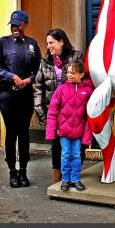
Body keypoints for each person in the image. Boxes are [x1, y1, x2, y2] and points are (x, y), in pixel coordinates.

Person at [0, 10, 42, 188]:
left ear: (25, 24)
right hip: (8, 95)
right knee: (11, 132)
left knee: (24, 133)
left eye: (18, 24)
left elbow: (39, 71)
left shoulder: (33, 45)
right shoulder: (2, 44)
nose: (15, 27)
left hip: (26, 95)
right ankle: (12, 170)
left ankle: (24, 171)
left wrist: (27, 80)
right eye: (12, 24)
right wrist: (12, 76)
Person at [33, 28, 85, 184]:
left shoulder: (76, 56)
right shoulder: (45, 61)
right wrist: (41, 112)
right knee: (56, 146)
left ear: (61, 42)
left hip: (75, 111)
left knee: (77, 145)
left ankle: (73, 176)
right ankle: (57, 180)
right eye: (47, 43)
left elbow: (84, 81)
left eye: (51, 42)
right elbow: (39, 87)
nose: (49, 46)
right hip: (54, 111)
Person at [46, 61, 94, 192]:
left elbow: (90, 116)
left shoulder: (88, 91)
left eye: (73, 73)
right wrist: (51, 132)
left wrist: (87, 136)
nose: (69, 75)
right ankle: (65, 179)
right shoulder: (61, 89)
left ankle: (75, 179)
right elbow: (52, 111)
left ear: (81, 74)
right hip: (64, 131)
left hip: (79, 132)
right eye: (68, 72)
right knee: (66, 155)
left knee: (77, 155)